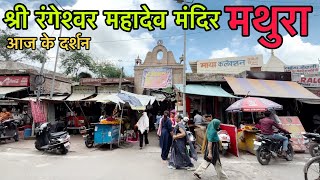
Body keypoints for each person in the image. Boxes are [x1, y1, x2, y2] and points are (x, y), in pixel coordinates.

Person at [193, 115, 228, 180]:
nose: (219, 126)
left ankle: (198, 172)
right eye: (218, 125)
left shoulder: (210, 127)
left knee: (207, 161)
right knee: (217, 163)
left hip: (211, 148)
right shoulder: (213, 132)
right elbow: (210, 143)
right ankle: (223, 178)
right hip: (212, 149)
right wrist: (210, 153)